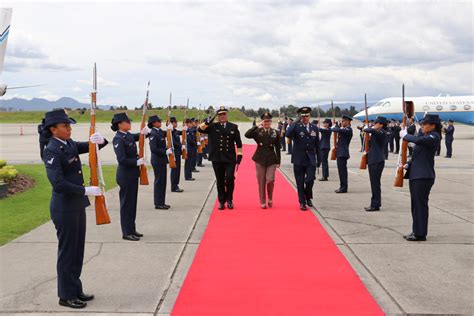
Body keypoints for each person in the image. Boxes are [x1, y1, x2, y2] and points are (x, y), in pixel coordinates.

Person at [42, 109, 107, 308]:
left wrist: (101, 140)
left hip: (76, 206)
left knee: (77, 250)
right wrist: (84, 190)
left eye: (70, 125)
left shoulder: (67, 143)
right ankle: (66, 295)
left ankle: (75, 289)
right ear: (53, 129)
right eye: (65, 126)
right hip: (64, 208)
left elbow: (88, 146)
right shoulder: (52, 149)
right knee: (68, 252)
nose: (69, 129)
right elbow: (58, 183)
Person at [400, 114, 441, 241]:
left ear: (433, 125)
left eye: (425, 124)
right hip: (417, 175)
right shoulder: (424, 136)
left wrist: (405, 135)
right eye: (422, 124)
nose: (422, 126)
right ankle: (416, 230)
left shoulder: (434, 136)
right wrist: (409, 164)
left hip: (423, 176)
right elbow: (418, 155)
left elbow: (419, 141)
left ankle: (420, 233)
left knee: (420, 205)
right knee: (415, 205)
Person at [111, 112, 149, 241]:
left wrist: (146, 132)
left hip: (132, 174)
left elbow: (139, 137)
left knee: (132, 204)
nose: (130, 123)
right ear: (120, 124)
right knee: (126, 204)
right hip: (125, 175)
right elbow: (121, 159)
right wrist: (136, 162)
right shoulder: (118, 139)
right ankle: (126, 232)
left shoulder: (127, 136)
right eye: (127, 121)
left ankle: (132, 229)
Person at [198, 106, 243, 210]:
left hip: (230, 158)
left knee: (230, 178)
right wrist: (207, 122)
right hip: (217, 158)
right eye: (220, 115)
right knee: (220, 181)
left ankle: (229, 199)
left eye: (224, 114)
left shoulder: (233, 127)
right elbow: (200, 129)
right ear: (217, 116)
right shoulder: (212, 126)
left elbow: (239, 143)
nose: (222, 116)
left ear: (227, 115)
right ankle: (222, 201)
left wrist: (239, 156)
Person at [286, 106, 321, 210]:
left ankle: (307, 196)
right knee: (299, 181)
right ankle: (302, 202)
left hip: (310, 159)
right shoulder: (296, 126)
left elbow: (317, 145)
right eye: (303, 116)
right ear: (300, 117)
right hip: (298, 158)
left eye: (307, 116)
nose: (305, 118)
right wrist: (295, 122)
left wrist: (319, 159)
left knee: (310, 179)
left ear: (309, 116)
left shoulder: (314, 128)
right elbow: (288, 134)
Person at [244, 112, 281, 209]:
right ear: (262, 122)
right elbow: (247, 135)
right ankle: (263, 201)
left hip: (271, 159)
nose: (267, 123)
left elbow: (277, 148)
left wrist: (278, 161)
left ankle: (270, 197)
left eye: (268, 121)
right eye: (265, 121)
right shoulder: (258, 131)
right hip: (259, 159)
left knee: (270, 180)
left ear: (271, 122)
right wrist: (256, 126)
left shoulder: (275, 132)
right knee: (261, 181)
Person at [363, 116, 387, 212]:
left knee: (375, 184)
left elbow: (370, 130)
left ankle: (375, 205)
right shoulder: (377, 132)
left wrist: (368, 128)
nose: (374, 124)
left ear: (381, 124)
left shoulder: (381, 132)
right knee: (374, 183)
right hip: (373, 159)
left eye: (376, 123)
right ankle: (375, 203)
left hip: (377, 160)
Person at [148, 115, 170, 210]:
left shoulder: (160, 131)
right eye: (158, 121)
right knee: (159, 182)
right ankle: (158, 203)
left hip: (162, 160)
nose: (160, 123)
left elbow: (168, 134)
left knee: (163, 182)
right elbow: (153, 149)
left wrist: (170, 128)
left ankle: (162, 201)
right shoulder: (153, 133)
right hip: (157, 160)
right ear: (153, 123)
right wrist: (165, 151)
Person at [332, 115, 353, 193]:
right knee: (341, 171)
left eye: (343, 121)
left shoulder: (348, 130)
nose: (342, 122)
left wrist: (336, 126)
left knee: (342, 171)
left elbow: (335, 129)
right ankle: (342, 186)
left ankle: (344, 187)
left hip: (343, 153)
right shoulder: (343, 129)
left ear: (347, 121)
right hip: (340, 152)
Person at [169, 116, 184, 192]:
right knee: (174, 170)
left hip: (178, 153)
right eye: (175, 122)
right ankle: (173, 186)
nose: (176, 123)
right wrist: (181, 145)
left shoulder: (175, 131)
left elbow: (181, 132)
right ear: (171, 123)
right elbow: (173, 143)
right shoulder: (170, 132)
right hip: (174, 154)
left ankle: (176, 185)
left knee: (178, 170)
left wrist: (185, 128)